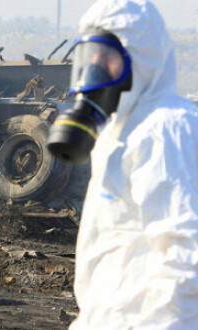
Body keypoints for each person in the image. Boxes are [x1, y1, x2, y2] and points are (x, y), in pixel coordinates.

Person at [55, 0, 198, 328]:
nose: (94, 67)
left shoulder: (166, 128)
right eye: (89, 56)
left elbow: (187, 261)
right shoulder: (116, 135)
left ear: (141, 63)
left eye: (106, 57)